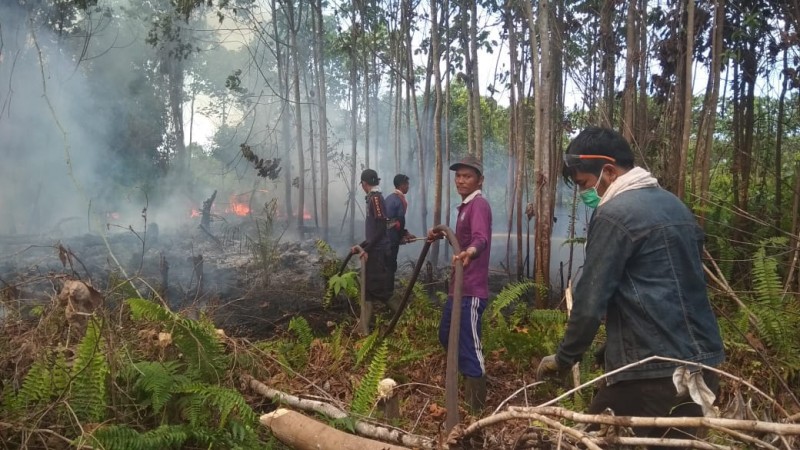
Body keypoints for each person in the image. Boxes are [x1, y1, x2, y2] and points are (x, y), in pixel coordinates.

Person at [536, 127, 725, 448]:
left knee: (589, 442)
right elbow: (666, 290)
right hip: (703, 370)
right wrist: (609, 349)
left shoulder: (614, 215)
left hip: (652, 375)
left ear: (608, 171)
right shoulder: (676, 207)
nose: (584, 193)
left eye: (583, 184)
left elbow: (590, 301)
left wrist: (564, 359)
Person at [427, 155, 492, 413]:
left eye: (467, 176)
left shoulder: (479, 205)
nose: (461, 180)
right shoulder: (464, 207)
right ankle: (462, 380)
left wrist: (470, 252)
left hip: (471, 289)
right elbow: (462, 237)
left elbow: (481, 238)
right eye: (458, 176)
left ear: (479, 180)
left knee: (470, 347)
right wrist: (441, 232)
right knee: (446, 335)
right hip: (457, 289)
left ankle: (476, 408)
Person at [352, 169, 395, 333]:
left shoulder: (375, 198)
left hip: (378, 252)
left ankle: (404, 317)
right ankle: (364, 326)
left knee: (379, 290)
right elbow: (375, 231)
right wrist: (362, 246)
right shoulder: (373, 197)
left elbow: (381, 227)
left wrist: (367, 248)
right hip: (374, 248)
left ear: (364, 184)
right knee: (368, 289)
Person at [384, 174, 416, 275]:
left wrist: (405, 233)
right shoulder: (399, 200)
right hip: (392, 239)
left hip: (384, 237)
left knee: (385, 264)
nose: (408, 186)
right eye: (406, 184)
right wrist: (402, 235)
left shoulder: (389, 198)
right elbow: (400, 220)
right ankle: (389, 289)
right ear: (401, 185)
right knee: (391, 265)